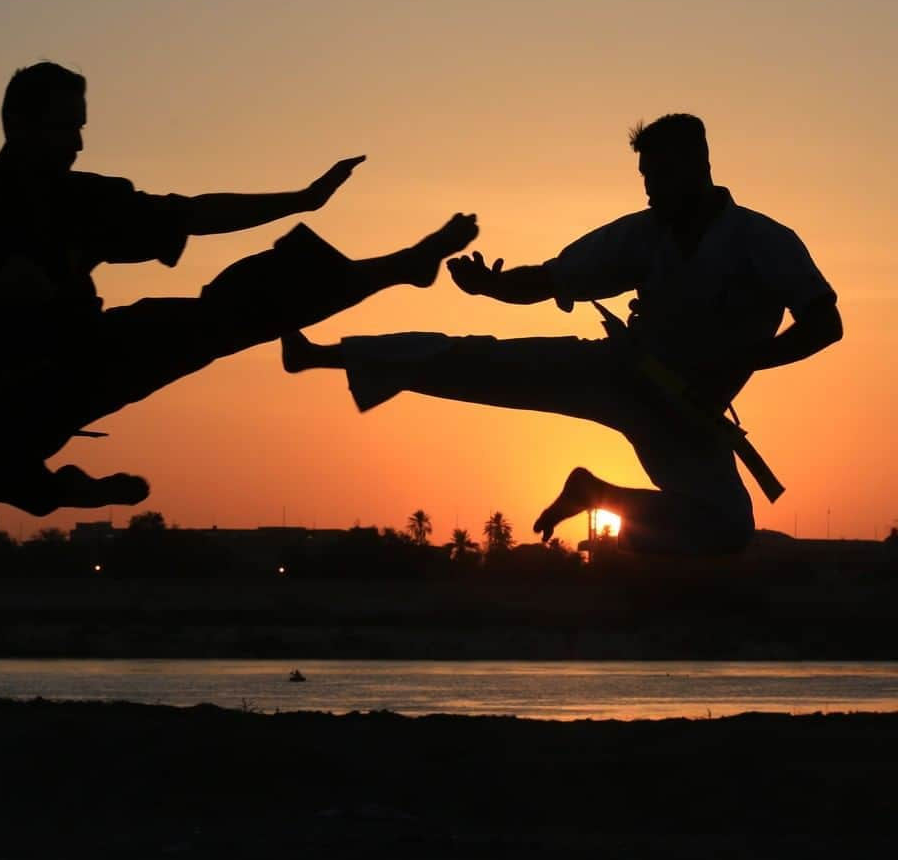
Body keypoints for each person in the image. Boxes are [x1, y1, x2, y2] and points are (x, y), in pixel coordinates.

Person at [0, 61, 478, 515]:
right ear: (17, 125)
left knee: (225, 314)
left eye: (81, 127)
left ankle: (400, 265)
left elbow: (192, 214)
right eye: (65, 127)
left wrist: (299, 200)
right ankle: (57, 490)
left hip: (96, 355)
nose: (78, 142)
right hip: (11, 398)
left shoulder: (84, 198)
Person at [282, 114, 843, 554]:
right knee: (481, 364)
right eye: (643, 177)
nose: (648, 189)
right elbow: (552, 277)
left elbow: (825, 324)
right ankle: (323, 354)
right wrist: (492, 289)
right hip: (619, 374)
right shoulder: (643, 234)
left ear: (698, 167)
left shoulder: (762, 240)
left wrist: (741, 360)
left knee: (727, 530)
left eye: (658, 176)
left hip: (688, 416)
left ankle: (597, 496)